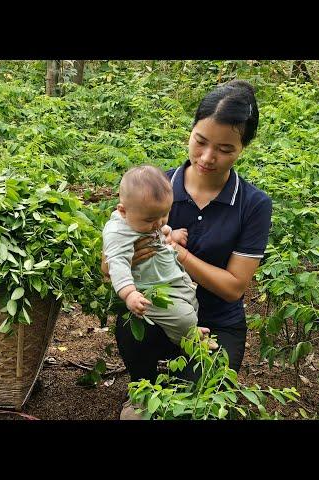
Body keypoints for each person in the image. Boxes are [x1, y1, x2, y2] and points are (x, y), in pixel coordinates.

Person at [102, 80, 272, 419]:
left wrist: (177, 253)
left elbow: (233, 287)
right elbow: (110, 266)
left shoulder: (253, 204)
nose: (208, 157)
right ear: (191, 131)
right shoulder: (153, 189)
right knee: (145, 395)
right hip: (157, 311)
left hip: (218, 321)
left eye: (225, 149)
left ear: (243, 147)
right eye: (201, 141)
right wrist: (125, 262)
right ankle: (140, 393)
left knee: (201, 408)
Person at [103, 164, 213, 348]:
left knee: (191, 304)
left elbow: (158, 231)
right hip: (148, 289)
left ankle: (188, 330)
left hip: (171, 279)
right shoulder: (118, 232)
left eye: (164, 215)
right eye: (150, 220)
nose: (158, 223)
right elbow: (118, 264)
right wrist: (130, 294)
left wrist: (170, 232)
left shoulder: (143, 219)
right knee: (183, 317)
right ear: (123, 211)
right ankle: (190, 341)